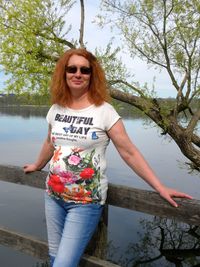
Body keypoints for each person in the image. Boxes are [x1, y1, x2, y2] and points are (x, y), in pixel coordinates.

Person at [24, 48, 192, 267]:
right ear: (63, 73)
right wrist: (38, 164)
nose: (78, 74)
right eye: (71, 69)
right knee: (55, 258)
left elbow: (129, 152)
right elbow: (50, 142)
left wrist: (159, 186)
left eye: (84, 70)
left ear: (92, 76)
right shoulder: (56, 109)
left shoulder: (104, 111)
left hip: (85, 203)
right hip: (53, 197)